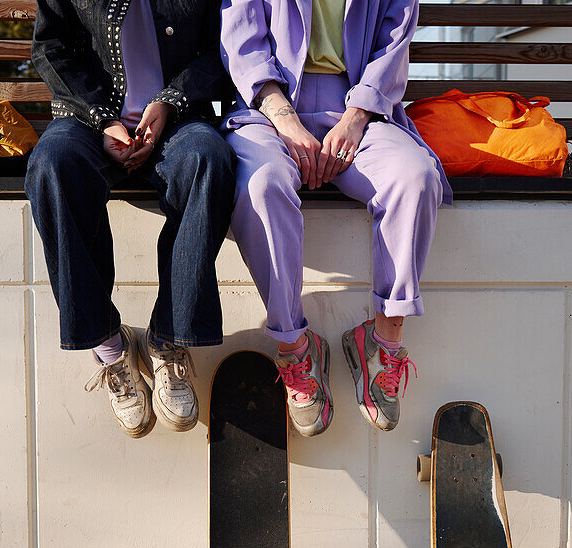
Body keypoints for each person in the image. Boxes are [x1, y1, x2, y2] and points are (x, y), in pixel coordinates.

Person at [220, 0, 450, 436]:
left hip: (357, 110)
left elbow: (391, 45)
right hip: (267, 108)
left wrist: (356, 116)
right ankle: (294, 348)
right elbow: (242, 41)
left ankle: (383, 341)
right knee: (262, 186)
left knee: (415, 178)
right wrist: (284, 118)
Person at [26, 0, 235, 438]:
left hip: (178, 119)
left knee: (208, 158)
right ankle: (109, 348)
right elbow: (51, 47)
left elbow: (221, 50)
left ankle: (169, 339)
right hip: (85, 119)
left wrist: (169, 102)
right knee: (52, 167)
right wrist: (101, 118)